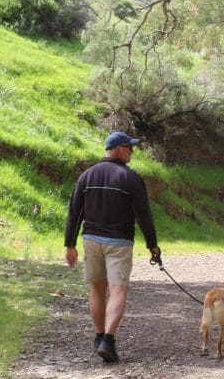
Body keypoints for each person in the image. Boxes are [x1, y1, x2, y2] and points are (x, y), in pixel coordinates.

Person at [64, 131, 161, 364]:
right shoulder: (130, 178)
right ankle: (108, 339)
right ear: (118, 149)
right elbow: (143, 215)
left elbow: (74, 212)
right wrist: (152, 245)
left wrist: (70, 244)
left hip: (91, 240)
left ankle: (99, 337)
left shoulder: (86, 176)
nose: (132, 152)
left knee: (97, 289)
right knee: (118, 290)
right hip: (119, 243)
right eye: (130, 147)